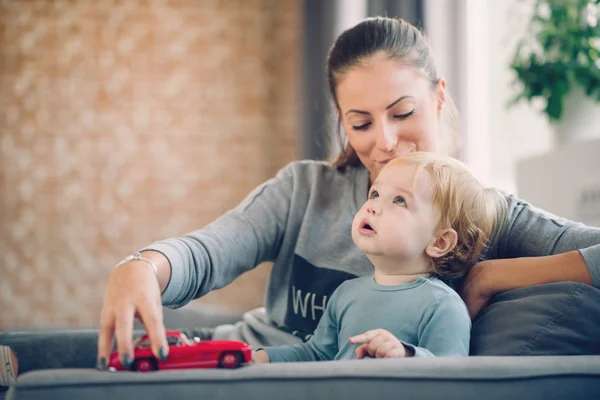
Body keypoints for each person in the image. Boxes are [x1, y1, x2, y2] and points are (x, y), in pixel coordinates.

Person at [96, 17, 600, 370]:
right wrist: (143, 265)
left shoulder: (487, 215)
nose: (383, 141)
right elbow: (209, 252)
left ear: (439, 96)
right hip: (238, 363)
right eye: (360, 123)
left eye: (402, 113)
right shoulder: (303, 189)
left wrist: (495, 273)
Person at [253, 152, 500, 363]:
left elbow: (453, 377)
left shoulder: (443, 305)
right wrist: (260, 357)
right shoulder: (346, 293)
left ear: (440, 242)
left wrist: (405, 355)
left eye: (399, 200)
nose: (372, 206)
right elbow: (316, 354)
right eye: (374, 194)